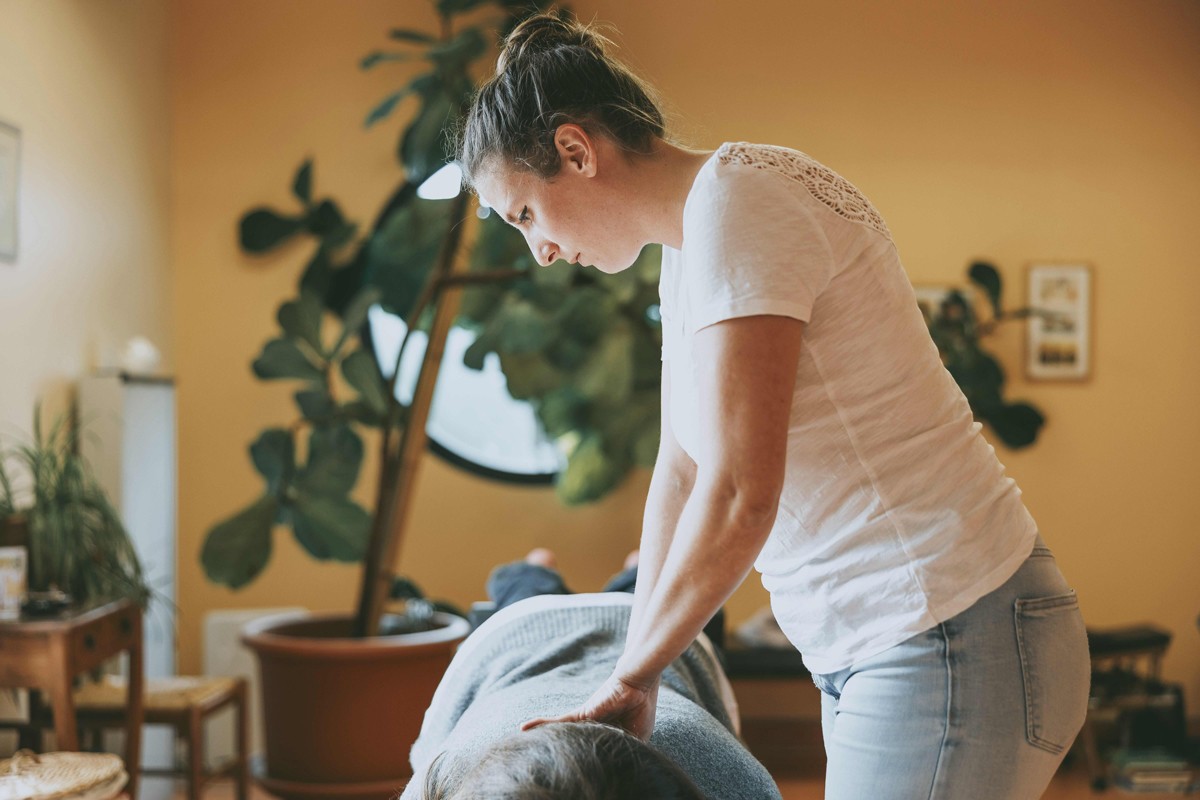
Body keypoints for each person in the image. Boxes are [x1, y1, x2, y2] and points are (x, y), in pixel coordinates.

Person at [455, 9, 1091, 799]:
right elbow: (680, 475)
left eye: (524, 214)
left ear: (576, 151)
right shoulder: (692, 248)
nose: (539, 251)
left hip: (948, 629)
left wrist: (639, 670)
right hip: (896, 641)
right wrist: (638, 667)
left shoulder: (742, 204)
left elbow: (738, 492)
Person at [399, 548, 781, 800]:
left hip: (547, 630)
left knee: (530, 584)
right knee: (530, 584)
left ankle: (557, 565)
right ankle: (604, 566)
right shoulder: (737, 782)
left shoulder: (451, 773)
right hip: (596, 625)